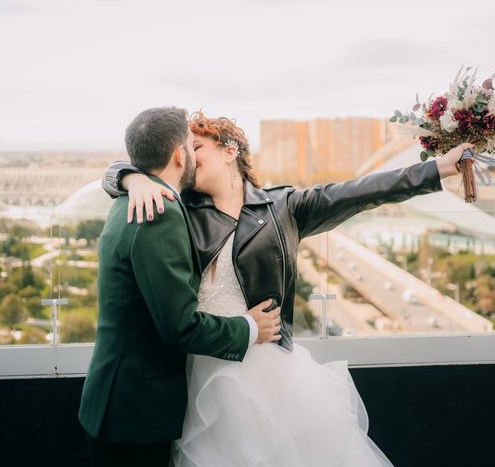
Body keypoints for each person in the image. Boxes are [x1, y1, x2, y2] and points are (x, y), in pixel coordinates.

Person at [103, 112, 472, 466]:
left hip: (268, 370)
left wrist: (437, 168)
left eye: (197, 148)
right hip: (196, 372)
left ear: (230, 151)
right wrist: (131, 179)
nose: (188, 159)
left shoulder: (284, 207)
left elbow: (362, 192)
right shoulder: (178, 207)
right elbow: (126, 167)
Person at [79, 107, 281, 467]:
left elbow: (116, 176)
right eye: (191, 145)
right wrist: (251, 328)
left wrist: (130, 177)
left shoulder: (130, 199)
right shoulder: (159, 212)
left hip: (117, 401)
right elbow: (180, 328)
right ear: (178, 154)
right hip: (136, 412)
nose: (195, 153)